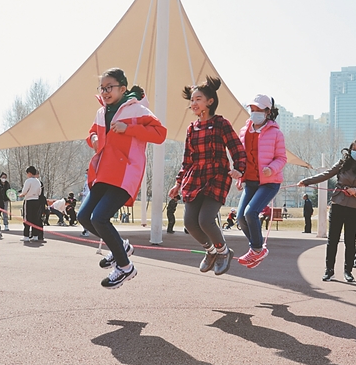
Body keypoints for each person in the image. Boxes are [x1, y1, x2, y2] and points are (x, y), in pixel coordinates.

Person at [78, 68, 167, 289]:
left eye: (110, 87)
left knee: (99, 217)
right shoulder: (102, 112)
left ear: (123, 88)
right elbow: (91, 134)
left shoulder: (137, 109)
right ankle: (121, 247)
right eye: (102, 88)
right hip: (103, 173)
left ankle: (125, 267)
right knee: (84, 216)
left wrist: (129, 128)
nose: (105, 92)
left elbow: (160, 134)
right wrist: (94, 137)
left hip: (125, 173)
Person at [169, 76, 246, 276]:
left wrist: (239, 169)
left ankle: (223, 251)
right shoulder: (191, 128)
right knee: (189, 223)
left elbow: (237, 148)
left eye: (198, 99)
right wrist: (178, 183)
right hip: (194, 178)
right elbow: (187, 160)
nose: (193, 103)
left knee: (205, 220)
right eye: (192, 100)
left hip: (217, 176)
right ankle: (210, 251)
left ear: (210, 101)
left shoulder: (221, 123)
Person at [298, 139, 356, 282]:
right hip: (337, 204)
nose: (355, 152)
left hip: (354, 208)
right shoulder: (342, 164)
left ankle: (348, 271)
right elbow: (326, 174)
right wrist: (307, 181)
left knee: (350, 241)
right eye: (354, 149)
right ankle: (329, 270)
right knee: (332, 240)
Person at [234, 94, 287, 268]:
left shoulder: (276, 133)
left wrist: (271, 168)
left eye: (258, 110)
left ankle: (256, 250)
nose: (254, 113)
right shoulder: (243, 131)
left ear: (267, 112)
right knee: (240, 217)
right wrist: (240, 176)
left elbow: (282, 158)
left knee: (251, 213)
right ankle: (257, 252)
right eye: (252, 109)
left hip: (269, 182)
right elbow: (242, 157)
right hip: (250, 181)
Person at [19, 166, 44, 242]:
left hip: (29, 200)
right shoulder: (38, 181)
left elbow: (24, 191)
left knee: (27, 218)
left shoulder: (28, 181)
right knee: (35, 218)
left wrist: (21, 194)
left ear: (29, 173)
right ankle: (35, 235)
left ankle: (26, 235)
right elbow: (39, 192)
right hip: (36, 200)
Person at [80, 170, 90, 237]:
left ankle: (86, 230)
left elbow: (88, 192)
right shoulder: (86, 182)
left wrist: (82, 193)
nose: (86, 175)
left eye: (87, 173)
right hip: (83, 200)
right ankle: (85, 229)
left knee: (84, 216)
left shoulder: (90, 182)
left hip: (87, 200)